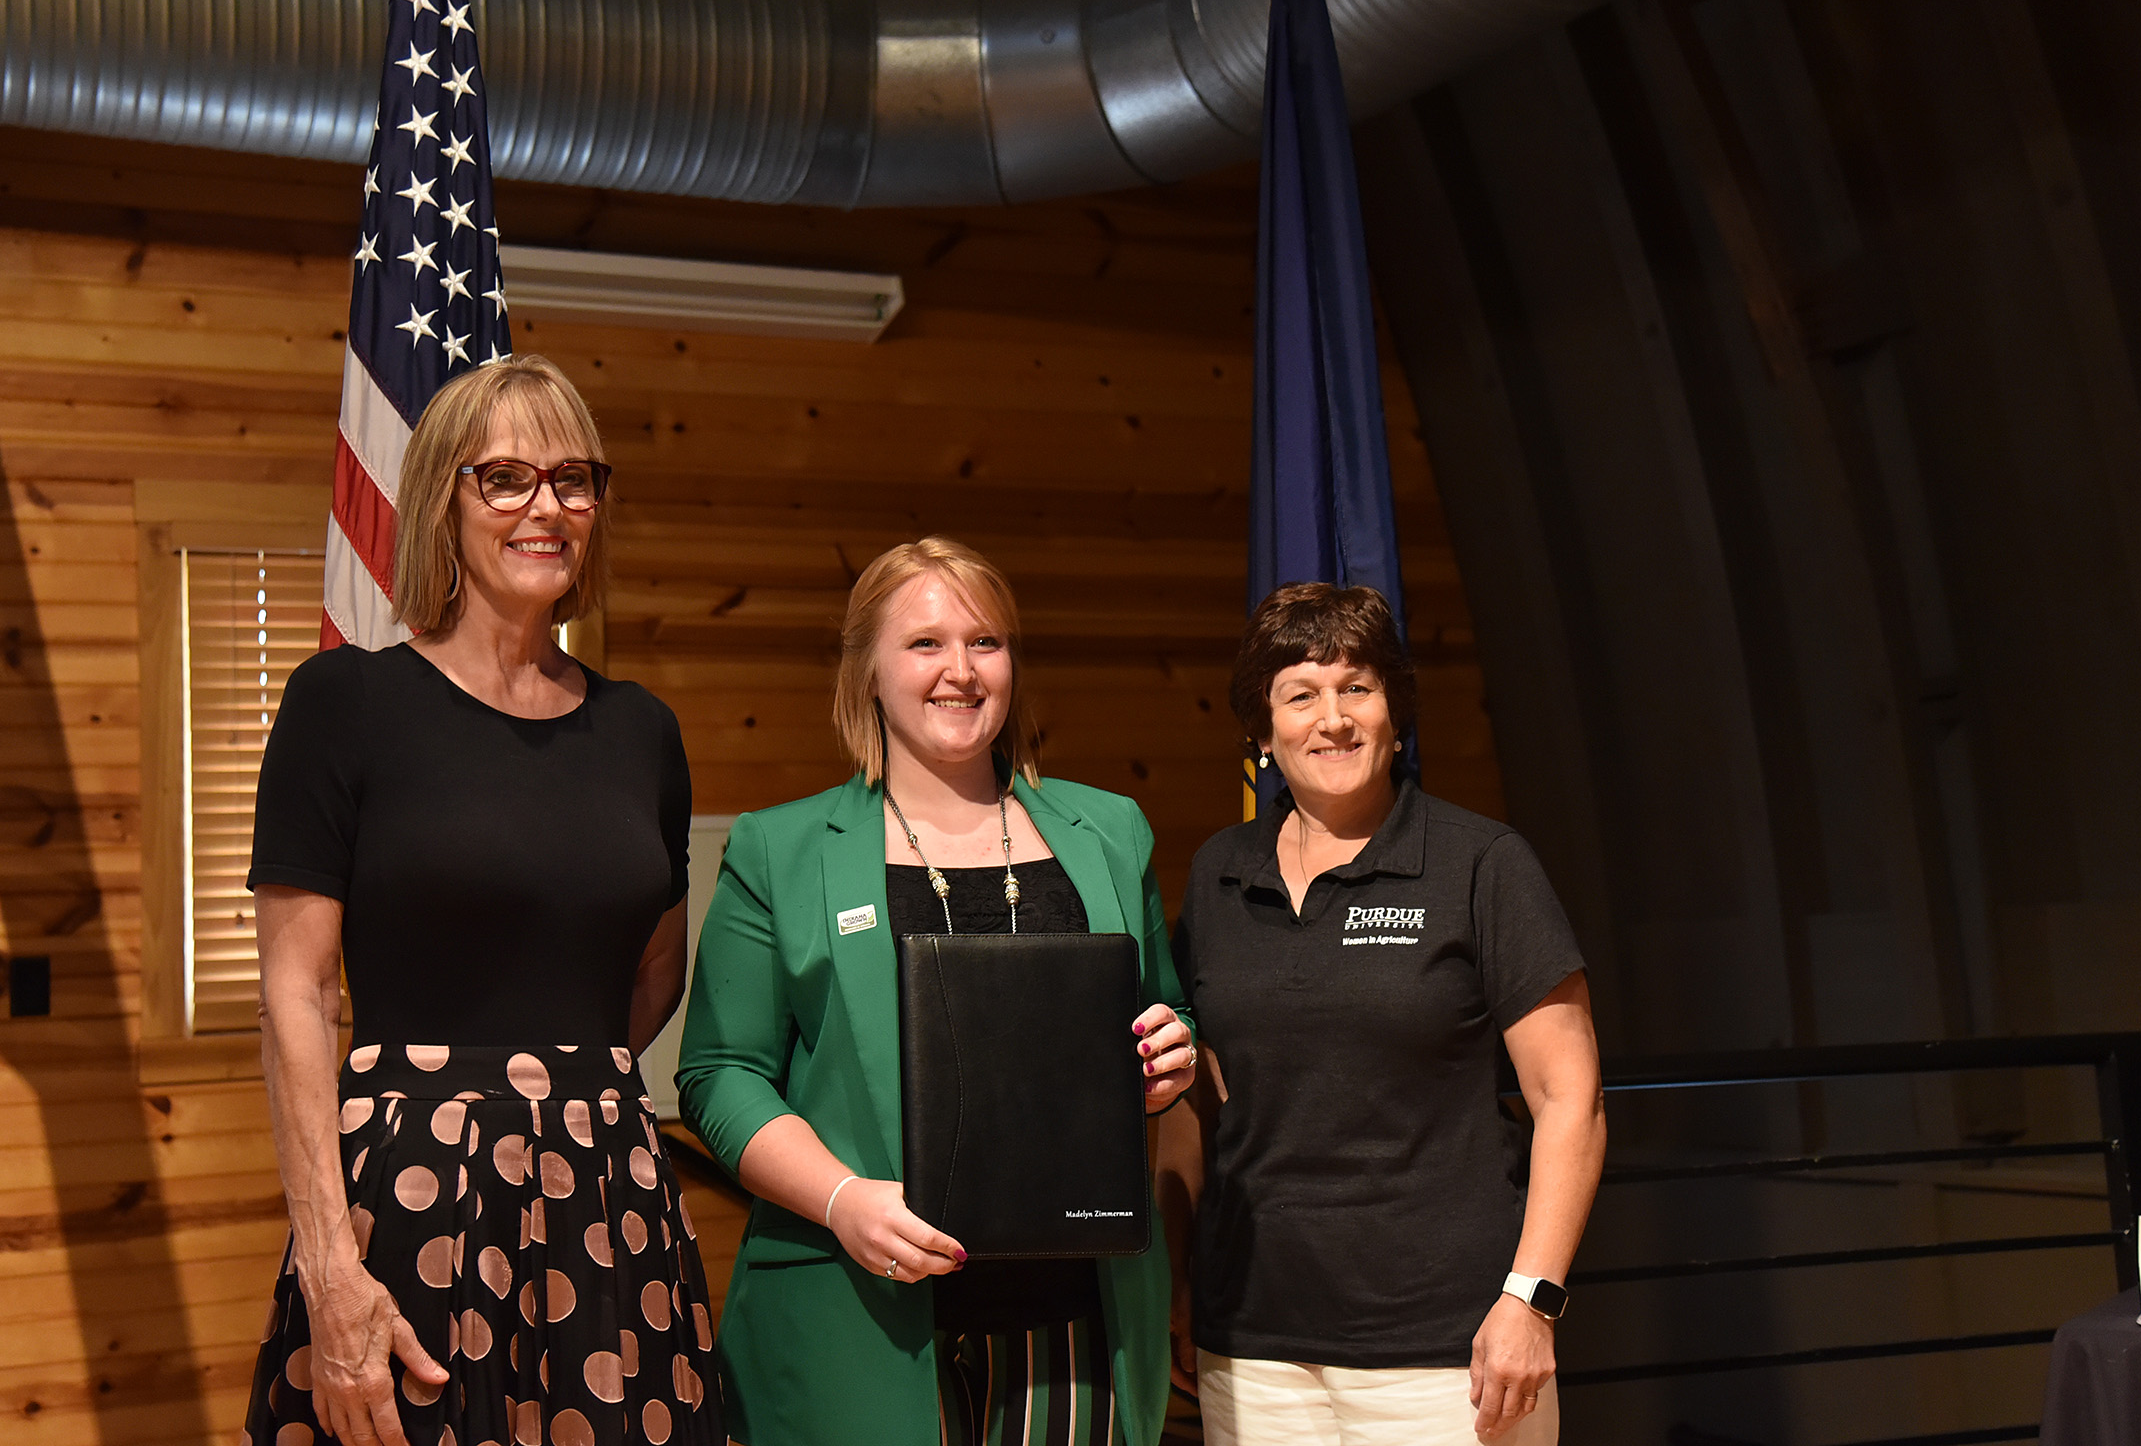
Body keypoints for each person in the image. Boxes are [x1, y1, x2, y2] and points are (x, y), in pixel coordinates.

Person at [238, 355, 725, 1446]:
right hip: (405, 1199)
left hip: (609, 1197)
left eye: (573, 478)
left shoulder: (644, 731)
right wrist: (328, 1259)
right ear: (441, 503)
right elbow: (296, 992)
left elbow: (654, 967)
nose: (545, 505)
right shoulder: (345, 705)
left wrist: (554, 1098)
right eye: (503, 476)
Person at [675, 537, 1197, 1446]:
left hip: (1074, 1324)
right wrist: (844, 1200)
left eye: (985, 641)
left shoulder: (1110, 830)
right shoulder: (780, 851)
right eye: (924, 644)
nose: (959, 669)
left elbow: (1164, 1011)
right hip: (859, 1316)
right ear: (866, 672)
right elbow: (719, 1074)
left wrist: (1167, 1054)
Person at [1168, 582, 1604, 1446]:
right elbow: (1194, 1103)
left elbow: (1571, 1100)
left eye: (1356, 688)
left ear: (1394, 712)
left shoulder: (1482, 863)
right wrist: (1180, 1282)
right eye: (1299, 694)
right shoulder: (1219, 872)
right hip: (1254, 1356)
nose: (1332, 719)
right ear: (1262, 730)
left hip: (1450, 1357)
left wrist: (1532, 1300)